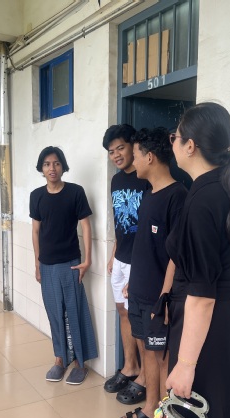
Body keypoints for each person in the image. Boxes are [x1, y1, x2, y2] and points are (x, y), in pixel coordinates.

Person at [162, 102, 230, 418]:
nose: (173, 143)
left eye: (175, 136)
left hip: (208, 333)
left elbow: (203, 296)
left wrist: (185, 364)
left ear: (190, 146)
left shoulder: (203, 198)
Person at [118, 128, 187, 418]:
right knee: (147, 350)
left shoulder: (178, 196)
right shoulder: (148, 194)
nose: (132, 161)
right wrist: (133, 280)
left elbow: (176, 255)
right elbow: (145, 246)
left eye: (135, 155)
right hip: (140, 290)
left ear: (150, 157)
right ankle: (149, 408)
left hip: (160, 296)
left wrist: (165, 297)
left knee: (161, 358)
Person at [30, 146, 98, 385]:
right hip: (47, 265)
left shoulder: (75, 192)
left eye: (56, 163)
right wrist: (37, 263)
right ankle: (60, 359)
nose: (52, 168)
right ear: (42, 168)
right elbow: (35, 231)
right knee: (54, 313)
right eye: (47, 164)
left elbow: (86, 226)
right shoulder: (36, 196)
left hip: (71, 263)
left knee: (74, 311)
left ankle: (80, 363)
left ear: (63, 166)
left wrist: (87, 260)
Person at [102, 124, 149, 397]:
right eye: (111, 151)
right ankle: (130, 366)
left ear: (133, 146)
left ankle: (146, 375)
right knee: (122, 312)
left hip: (139, 261)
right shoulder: (116, 181)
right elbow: (121, 222)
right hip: (120, 259)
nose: (116, 155)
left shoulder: (146, 177)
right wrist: (113, 254)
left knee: (137, 317)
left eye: (120, 148)